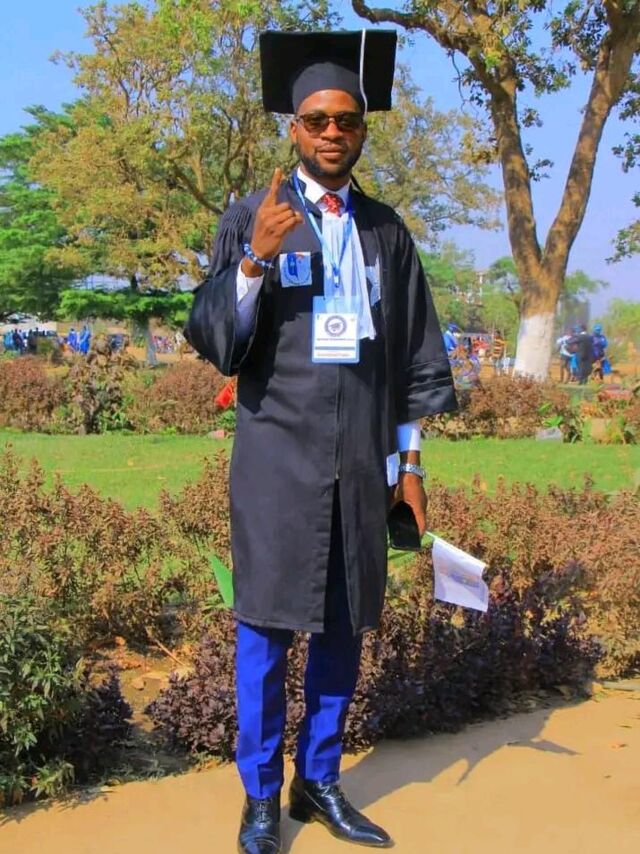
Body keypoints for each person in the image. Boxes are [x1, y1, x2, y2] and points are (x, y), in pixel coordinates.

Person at [185, 29, 456, 854]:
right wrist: (253, 264)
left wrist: (410, 466)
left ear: (362, 129)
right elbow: (218, 341)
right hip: (277, 460)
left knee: (344, 627)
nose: (332, 132)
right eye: (316, 120)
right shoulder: (253, 217)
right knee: (265, 631)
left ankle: (320, 779)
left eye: (347, 120)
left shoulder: (385, 233)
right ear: (293, 128)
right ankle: (260, 797)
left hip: (363, 461)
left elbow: (412, 356)